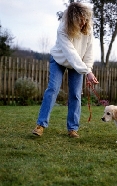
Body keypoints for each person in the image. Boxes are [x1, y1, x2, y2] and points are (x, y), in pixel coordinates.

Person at [32, 2, 99, 138]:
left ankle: (72, 129)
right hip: (59, 60)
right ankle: (40, 125)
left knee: (75, 94)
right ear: (72, 20)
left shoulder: (88, 29)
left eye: (85, 19)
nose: (82, 23)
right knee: (53, 89)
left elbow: (89, 51)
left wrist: (89, 69)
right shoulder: (63, 29)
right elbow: (71, 53)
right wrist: (87, 72)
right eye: (79, 20)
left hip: (77, 63)